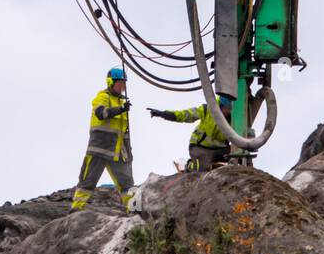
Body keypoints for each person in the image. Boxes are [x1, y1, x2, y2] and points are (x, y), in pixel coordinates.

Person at [71, 67, 136, 212]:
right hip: (99, 149)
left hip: (118, 152)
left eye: (124, 83)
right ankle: (76, 210)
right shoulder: (102, 97)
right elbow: (101, 113)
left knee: (127, 183)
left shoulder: (122, 103)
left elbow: (124, 133)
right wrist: (120, 110)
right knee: (88, 180)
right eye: (120, 82)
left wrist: (129, 153)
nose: (123, 86)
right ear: (111, 82)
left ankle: (133, 211)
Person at [148, 95, 234, 172]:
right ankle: (187, 165)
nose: (228, 112)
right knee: (201, 169)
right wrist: (163, 114)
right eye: (227, 108)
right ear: (220, 106)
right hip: (200, 147)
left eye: (230, 109)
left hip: (220, 148)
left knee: (240, 158)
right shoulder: (206, 110)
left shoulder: (235, 117)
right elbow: (185, 115)